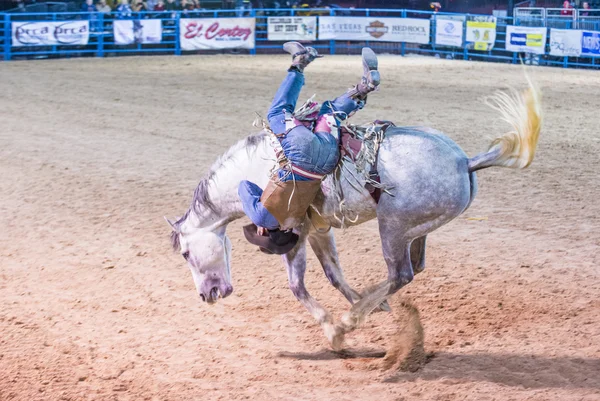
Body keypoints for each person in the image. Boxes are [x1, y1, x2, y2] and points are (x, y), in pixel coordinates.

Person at [238, 42, 380, 254]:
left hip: (326, 160)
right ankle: (299, 62)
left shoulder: (296, 217)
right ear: (262, 233)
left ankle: (364, 88)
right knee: (277, 113)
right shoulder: (260, 217)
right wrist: (259, 213)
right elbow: (244, 186)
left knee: (329, 115)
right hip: (300, 153)